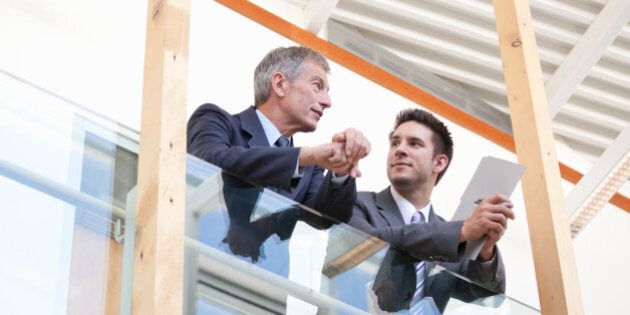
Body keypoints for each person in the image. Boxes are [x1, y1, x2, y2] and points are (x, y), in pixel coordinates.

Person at [349, 108, 515, 313]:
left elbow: (485, 296)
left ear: (439, 162)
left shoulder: (454, 236)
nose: (399, 149)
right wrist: (462, 230)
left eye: (414, 143)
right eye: (395, 143)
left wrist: (485, 250)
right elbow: (370, 242)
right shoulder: (356, 202)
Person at [187, 45, 370, 230]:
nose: (327, 102)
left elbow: (325, 219)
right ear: (280, 84)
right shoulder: (215, 120)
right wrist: (303, 157)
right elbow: (209, 165)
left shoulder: (310, 168)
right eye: (317, 85)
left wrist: (341, 170)